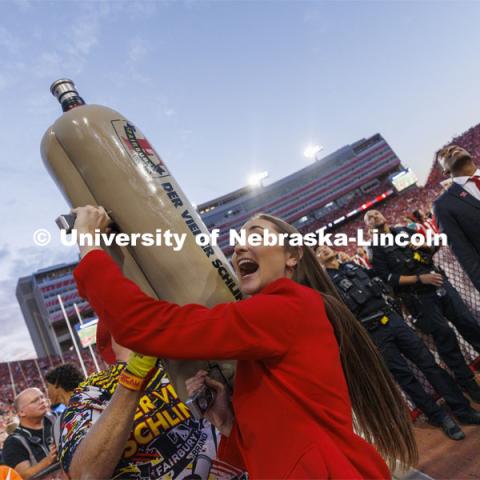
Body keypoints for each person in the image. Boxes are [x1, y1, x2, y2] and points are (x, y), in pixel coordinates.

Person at [70, 205, 419, 479]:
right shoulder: (278, 320)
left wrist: (89, 246)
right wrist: (226, 422)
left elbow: (145, 325)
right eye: (239, 239)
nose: (238, 246)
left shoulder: (286, 308)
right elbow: (279, 436)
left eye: (255, 234)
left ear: (292, 256)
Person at [317, 245, 480, 440]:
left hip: (392, 319)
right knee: (406, 377)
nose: (323, 249)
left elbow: (383, 281)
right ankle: (438, 416)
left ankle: (462, 408)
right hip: (372, 332)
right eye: (317, 251)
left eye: (324, 246)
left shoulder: (354, 267)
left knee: (429, 364)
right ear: (317, 262)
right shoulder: (324, 286)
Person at [58, 330, 242, 479]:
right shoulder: (93, 389)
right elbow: (86, 474)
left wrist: (225, 420)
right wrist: (134, 376)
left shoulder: (187, 354)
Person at [364, 209, 480, 402]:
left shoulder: (405, 231)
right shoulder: (375, 249)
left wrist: (424, 246)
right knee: (446, 338)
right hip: (419, 297)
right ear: (368, 227)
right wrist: (420, 278)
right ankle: (469, 384)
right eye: (369, 217)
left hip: (440, 283)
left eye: (376, 213)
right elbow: (388, 278)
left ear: (384, 216)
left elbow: (432, 249)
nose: (374, 216)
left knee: (468, 323)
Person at [434, 145, 480, 292]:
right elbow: (465, 254)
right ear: (445, 171)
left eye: (455, 147)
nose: (451, 150)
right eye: (444, 154)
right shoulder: (443, 204)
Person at [2, 388, 58, 480]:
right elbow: (23, 475)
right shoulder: (13, 442)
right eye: (35, 401)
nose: (42, 401)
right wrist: (48, 461)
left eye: (42, 397)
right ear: (21, 412)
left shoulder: (58, 418)